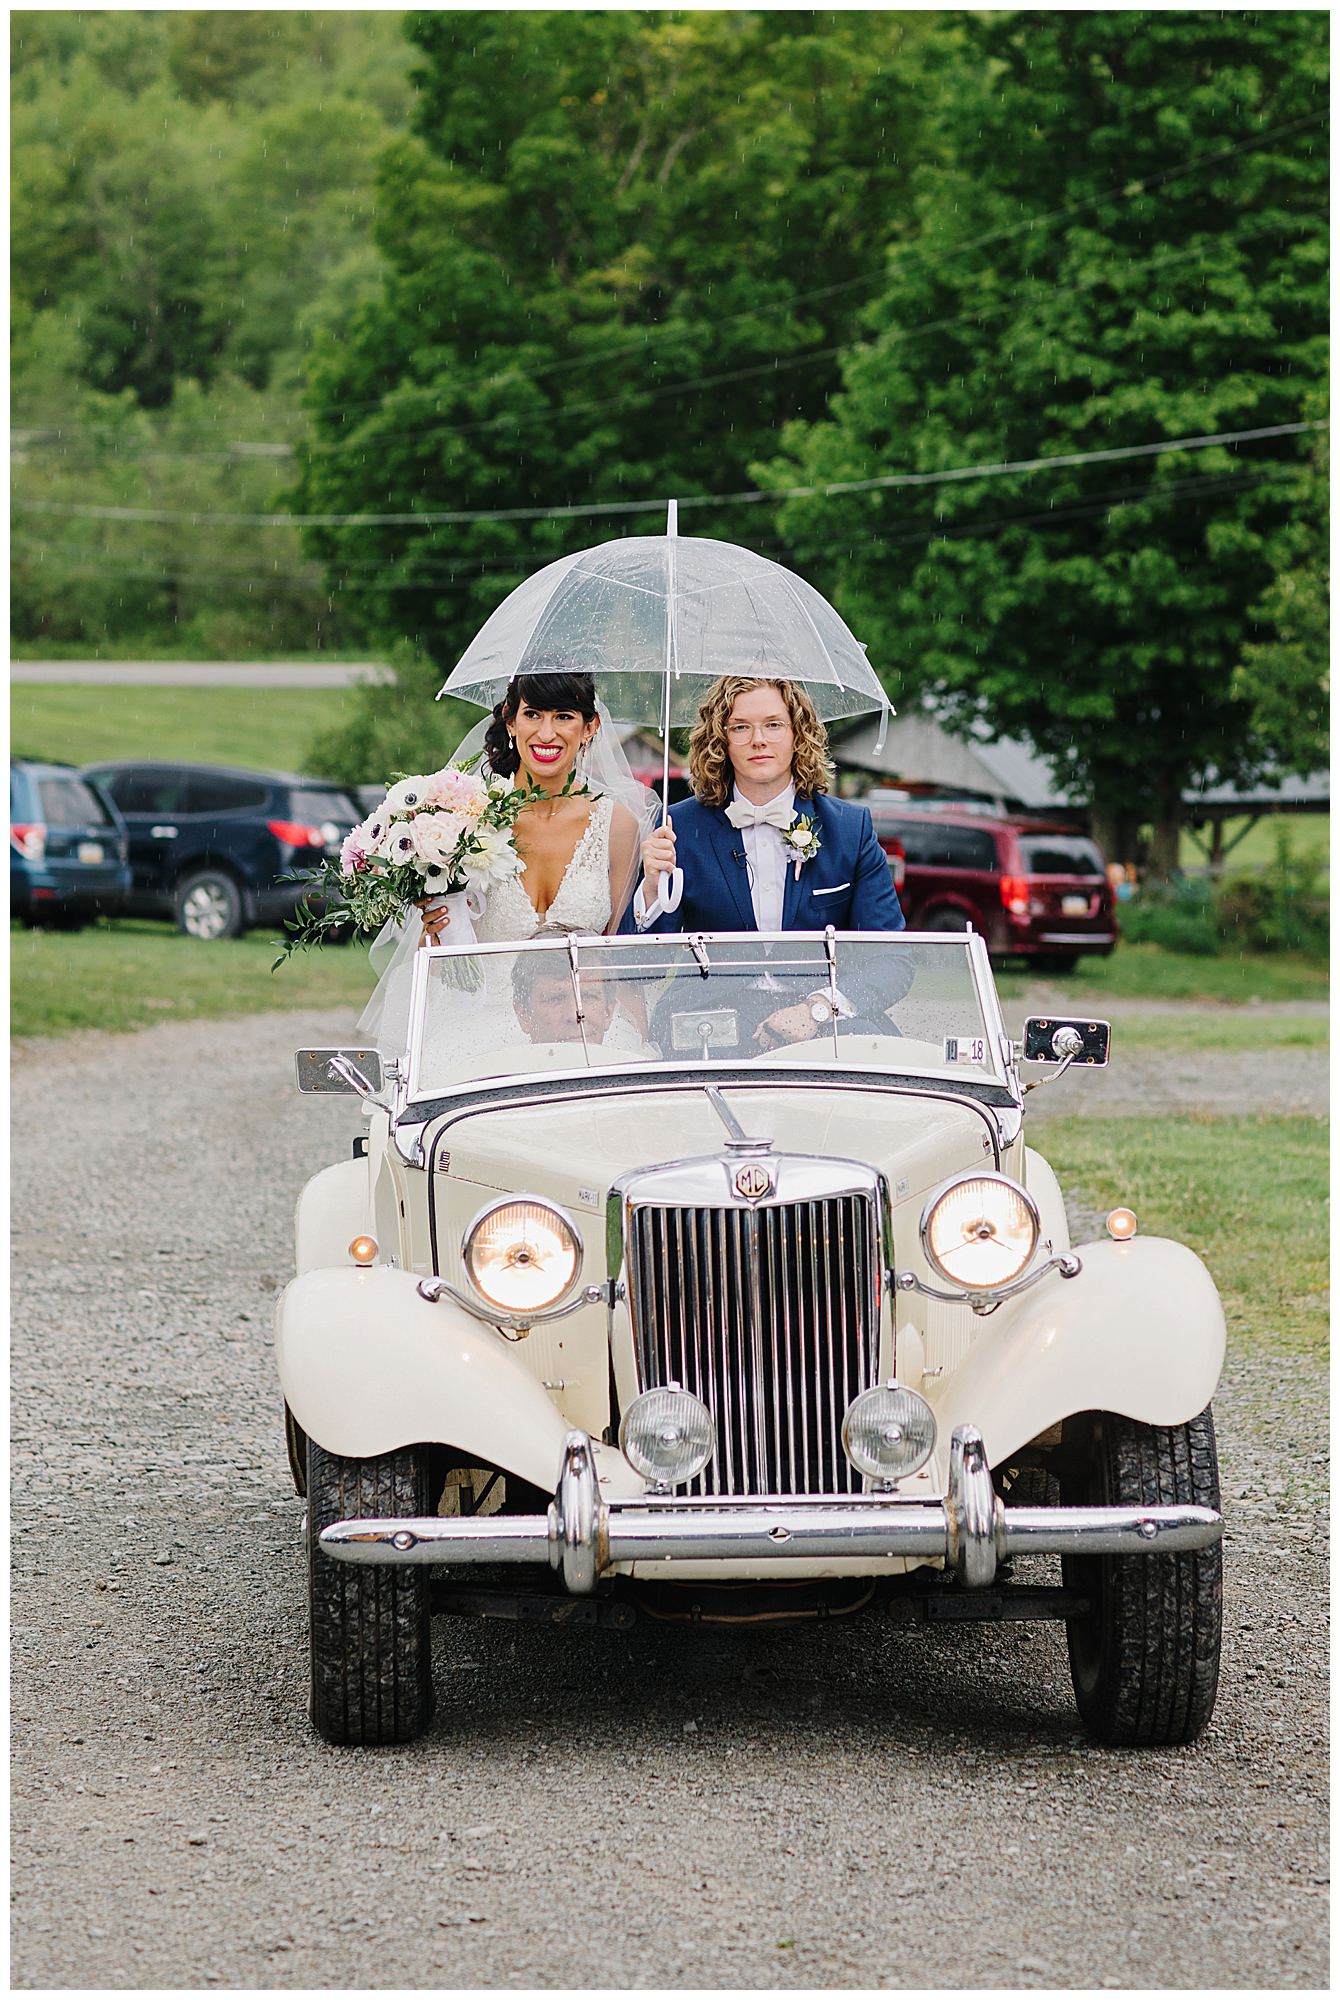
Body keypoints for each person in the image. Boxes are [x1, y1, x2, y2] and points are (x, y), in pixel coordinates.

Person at [358, 668, 654, 1053]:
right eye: (533, 715)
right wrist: (434, 930)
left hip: (584, 1029)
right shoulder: (462, 817)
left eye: (563, 717)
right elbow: (437, 953)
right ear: (510, 722)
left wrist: (638, 1037)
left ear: (589, 727)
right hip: (477, 1028)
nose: (546, 734)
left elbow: (615, 954)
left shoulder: (618, 824)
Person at [624, 675, 906, 1044]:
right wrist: (651, 887)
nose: (758, 739)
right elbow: (642, 970)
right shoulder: (678, 828)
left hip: (825, 1025)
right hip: (709, 1025)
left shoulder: (849, 830)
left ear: (797, 734)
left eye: (773, 725)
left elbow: (893, 961)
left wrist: (818, 1008)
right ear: (721, 740)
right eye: (741, 727)